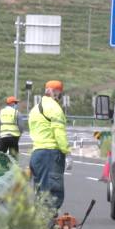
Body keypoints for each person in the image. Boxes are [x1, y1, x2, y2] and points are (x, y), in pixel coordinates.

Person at [28, 80, 70, 210]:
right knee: (53, 194)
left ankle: (40, 225)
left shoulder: (35, 109)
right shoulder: (55, 109)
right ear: (56, 92)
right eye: (59, 93)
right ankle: (48, 225)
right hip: (51, 154)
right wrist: (66, 152)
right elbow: (59, 133)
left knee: (41, 193)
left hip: (36, 154)